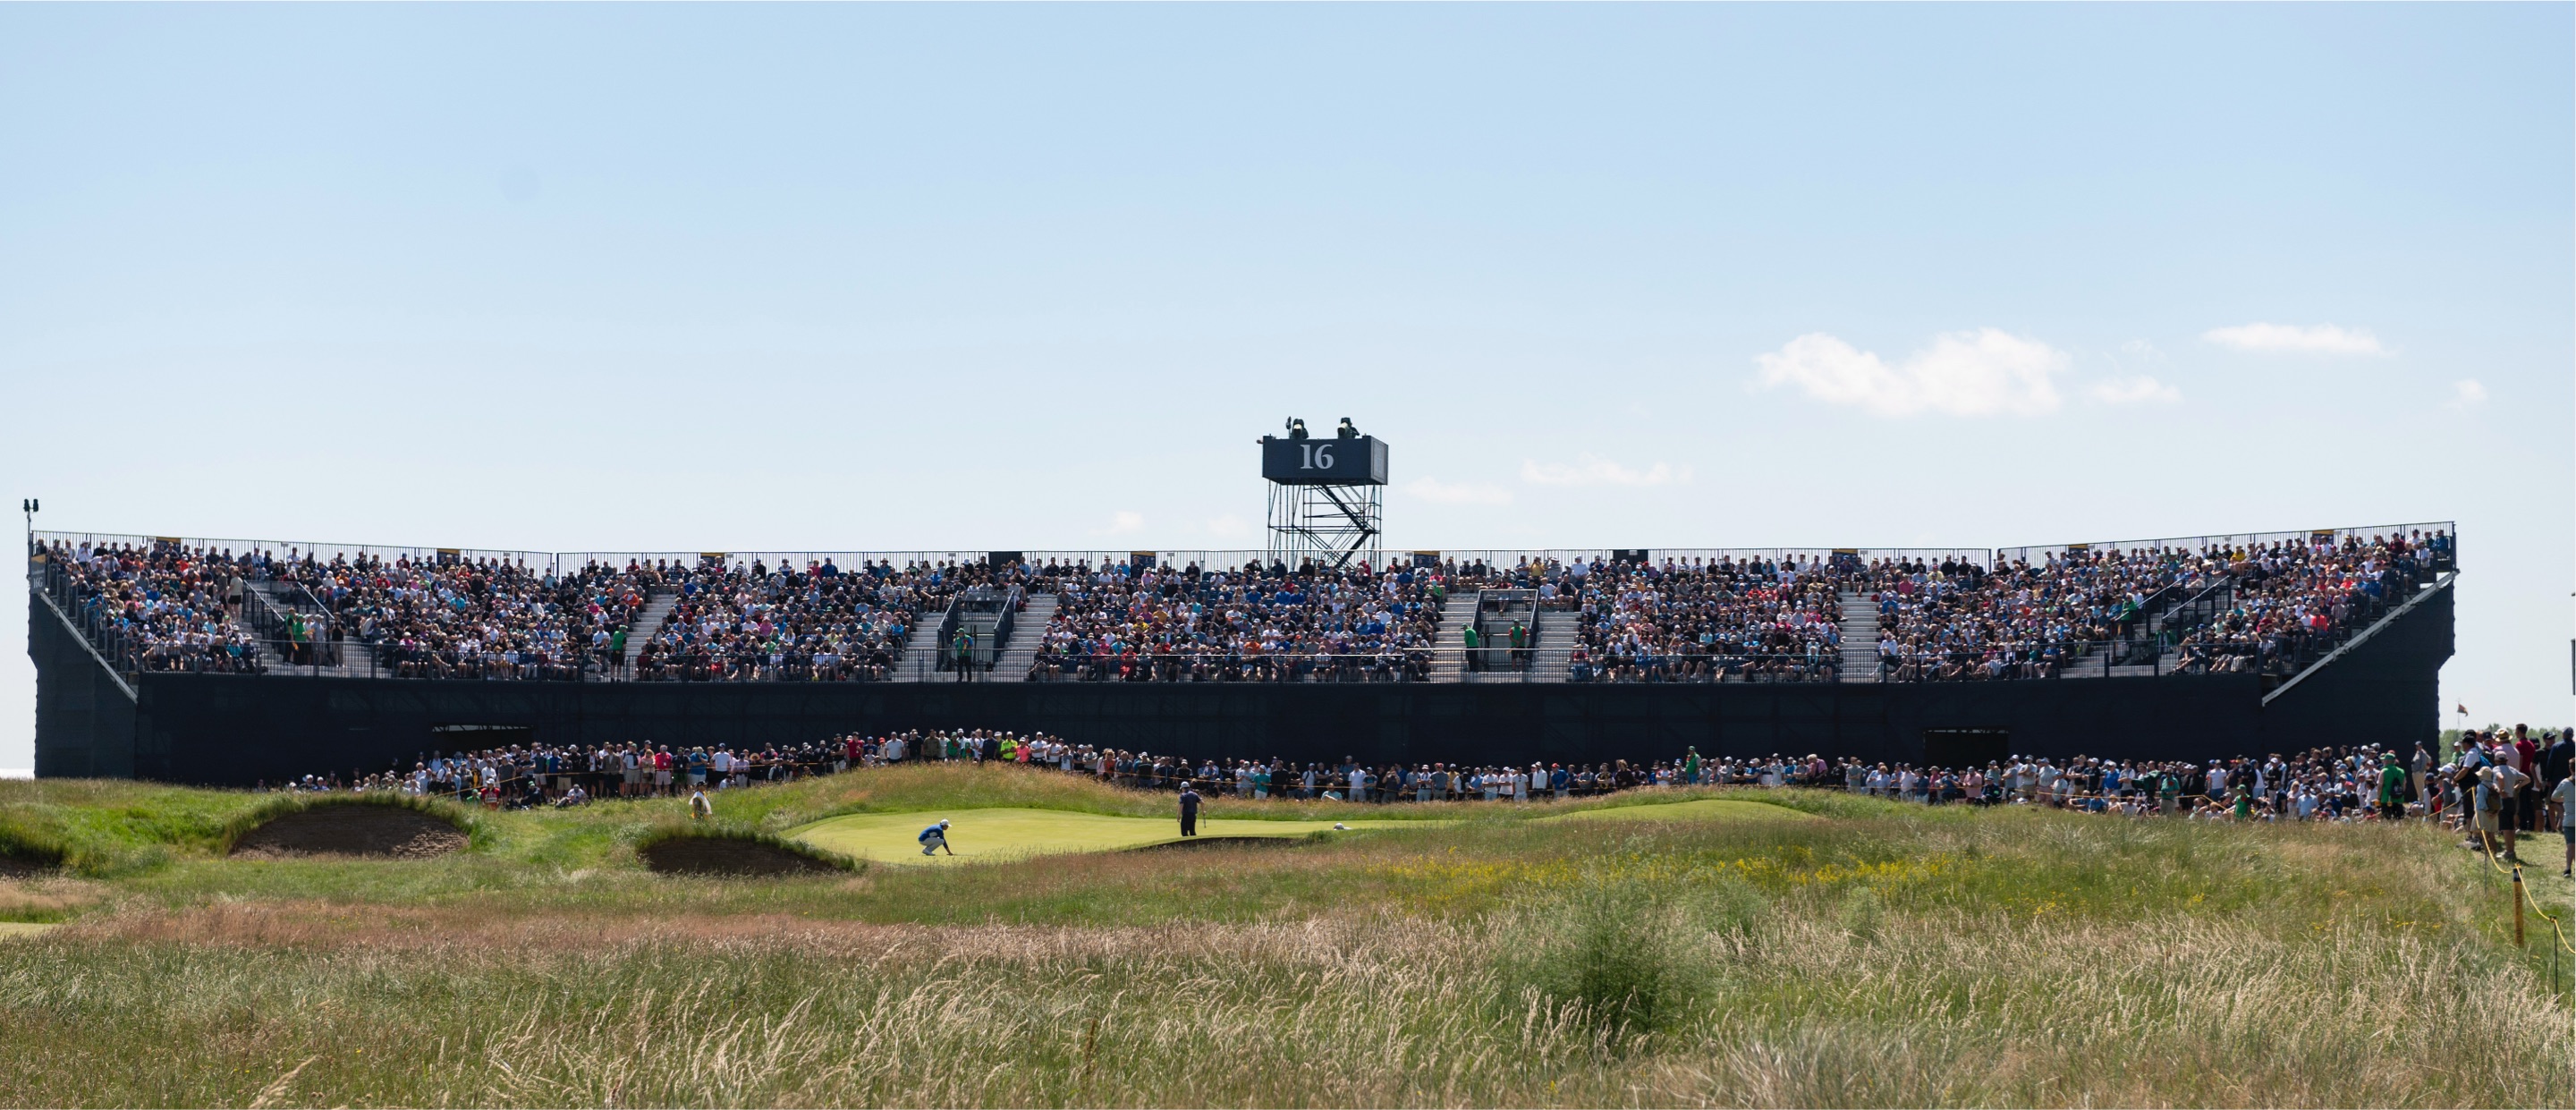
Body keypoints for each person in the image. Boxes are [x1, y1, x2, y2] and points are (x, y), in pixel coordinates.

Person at [2551, 769, 2576, 877]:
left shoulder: (2565, 783)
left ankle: (2568, 869)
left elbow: (2554, 797)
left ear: (2570, 769)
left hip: (2570, 818)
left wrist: (2565, 799)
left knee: (2570, 846)